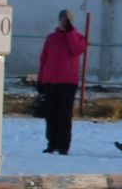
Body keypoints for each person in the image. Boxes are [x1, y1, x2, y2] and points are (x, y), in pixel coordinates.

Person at [37, 9, 87, 155]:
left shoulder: (78, 38)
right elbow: (43, 60)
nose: (64, 23)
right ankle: (52, 143)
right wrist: (40, 80)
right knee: (51, 114)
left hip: (68, 82)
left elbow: (77, 50)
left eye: (67, 20)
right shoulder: (51, 38)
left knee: (64, 114)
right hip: (50, 81)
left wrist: (70, 32)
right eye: (62, 20)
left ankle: (64, 145)